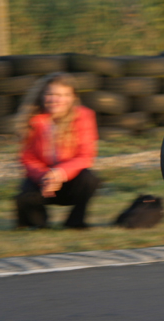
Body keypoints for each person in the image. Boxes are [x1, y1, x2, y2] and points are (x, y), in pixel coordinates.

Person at [15, 72, 100, 229]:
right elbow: (27, 158)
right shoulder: (32, 119)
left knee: (90, 178)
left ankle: (75, 222)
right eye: (51, 94)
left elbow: (85, 156)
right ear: (42, 95)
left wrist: (58, 173)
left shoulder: (84, 116)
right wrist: (45, 177)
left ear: (72, 98)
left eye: (63, 95)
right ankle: (36, 222)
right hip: (43, 181)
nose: (56, 100)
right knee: (25, 190)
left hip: (69, 181)